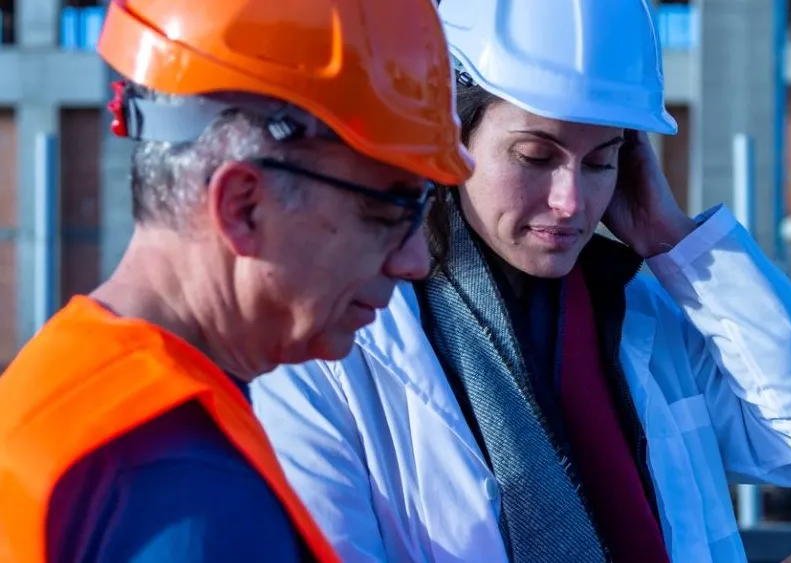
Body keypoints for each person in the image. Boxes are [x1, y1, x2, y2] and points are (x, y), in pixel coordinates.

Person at [250, 0, 791, 561]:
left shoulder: (636, 308)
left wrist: (671, 238)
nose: (571, 201)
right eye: (535, 157)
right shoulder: (334, 345)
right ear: (444, 136)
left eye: (602, 162)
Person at [0, 0, 472, 562]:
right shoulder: (188, 494)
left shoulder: (67, 382)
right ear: (244, 206)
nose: (413, 260)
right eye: (391, 209)